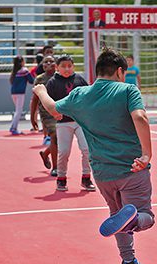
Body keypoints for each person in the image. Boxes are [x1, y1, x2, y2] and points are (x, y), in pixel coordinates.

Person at [33, 47, 154, 264]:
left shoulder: (80, 94)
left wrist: (40, 90)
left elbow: (52, 108)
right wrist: (147, 155)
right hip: (132, 167)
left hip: (102, 172)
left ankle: (129, 263)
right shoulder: (128, 89)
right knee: (144, 216)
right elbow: (140, 117)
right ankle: (133, 222)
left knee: (116, 215)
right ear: (120, 71)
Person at [45, 54, 95, 191]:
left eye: (69, 66)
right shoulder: (53, 82)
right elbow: (48, 102)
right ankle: (61, 178)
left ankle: (86, 177)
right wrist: (54, 113)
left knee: (86, 149)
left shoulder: (79, 80)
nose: (67, 69)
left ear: (73, 66)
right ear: (57, 67)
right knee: (64, 152)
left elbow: (88, 97)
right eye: (63, 66)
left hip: (80, 121)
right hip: (63, 123)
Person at [30, 55, 59, 177]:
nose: (48, 63)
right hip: (46, 113)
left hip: (59, 111)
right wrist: (33, 117)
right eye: (46, 62)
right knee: (55, 137)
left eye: (51, 61)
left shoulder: (60, 77)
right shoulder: (39, 79)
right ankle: (55, 167)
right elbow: (35, 99)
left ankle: (46, 153)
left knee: (60, 140)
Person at [9, 55, 34, 135]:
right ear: (21, 62)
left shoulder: (14, 71)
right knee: (19, 111)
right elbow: (31, 80)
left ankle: (13, 127)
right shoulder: (24, 70)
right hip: (20, 93)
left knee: (17, 110)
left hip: (13, 92)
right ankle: (13, 128)